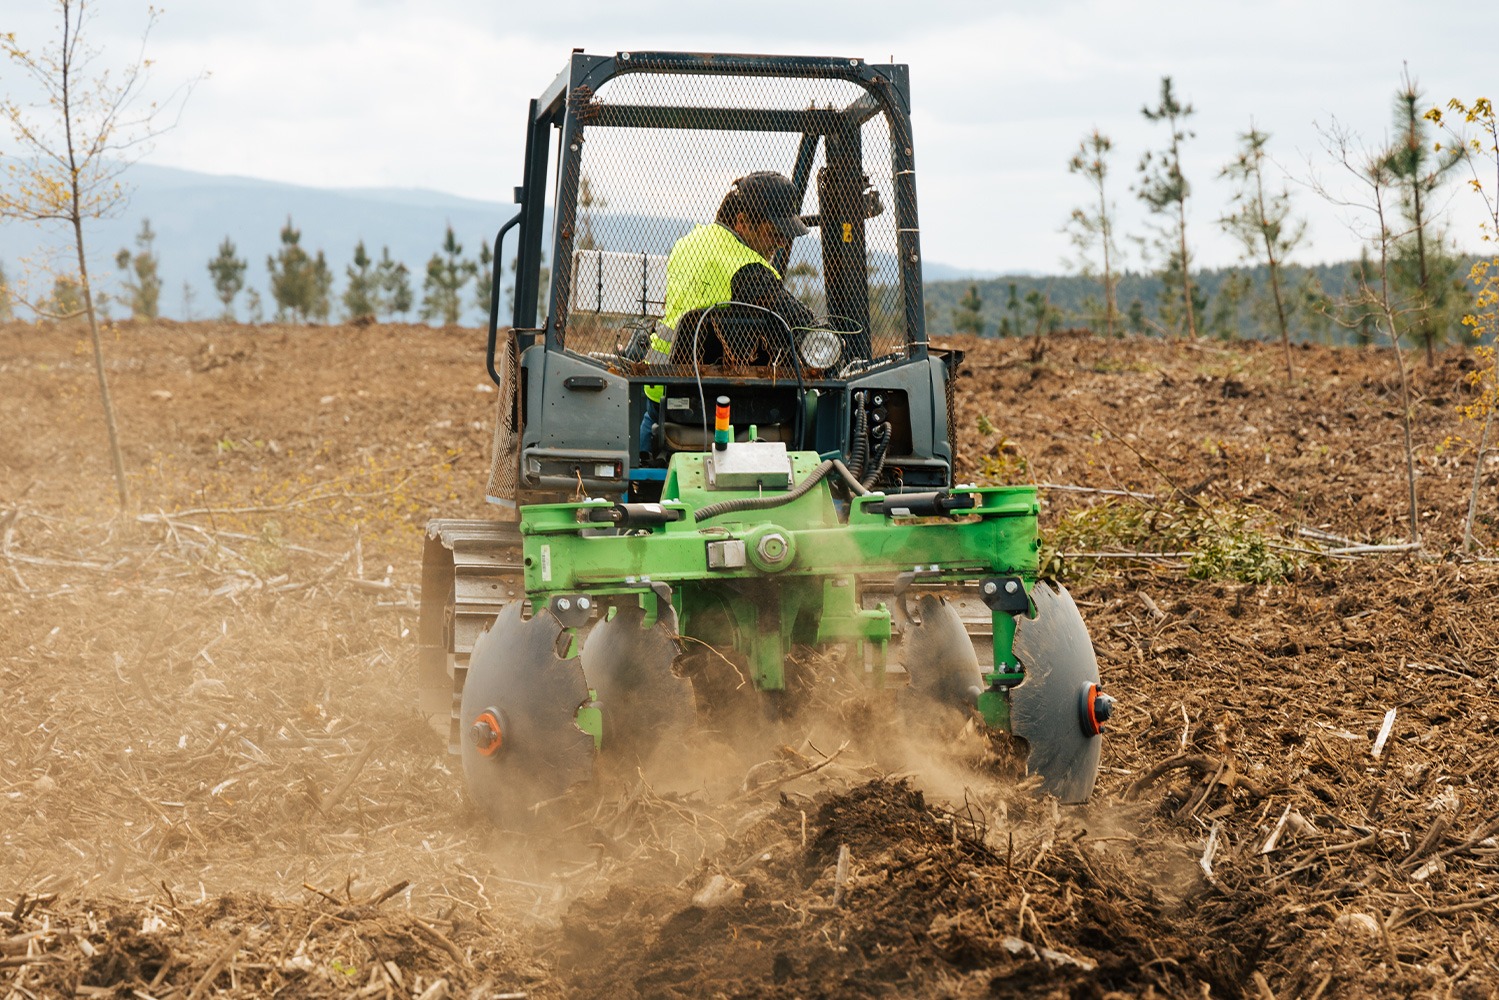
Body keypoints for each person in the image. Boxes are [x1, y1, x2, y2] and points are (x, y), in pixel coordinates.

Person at [639, 171, 818, 454]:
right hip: (723, 406)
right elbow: (801, 329)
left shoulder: (689, 243)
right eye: (775, 233)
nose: (782, 243)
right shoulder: (749, 271)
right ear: (743, 222)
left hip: (662, 391)